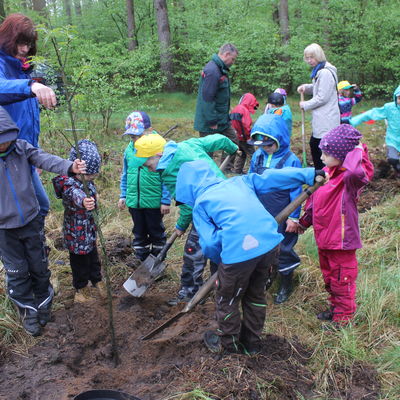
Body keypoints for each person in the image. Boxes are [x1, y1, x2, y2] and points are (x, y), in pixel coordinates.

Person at [175, 159, 322, 354]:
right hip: (270, 244)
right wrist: (309, 175)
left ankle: (229, 346)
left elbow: (209, 244)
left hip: (237, 254)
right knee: (255, 294)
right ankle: (251, 344)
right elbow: (273, 177)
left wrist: (222, 261)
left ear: (188, 188)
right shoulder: (239, 182)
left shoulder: (201, 204)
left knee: (227, 300)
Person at [0, 107, 86, 336]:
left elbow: (44, 159)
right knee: (17, 272)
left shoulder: (20, 148)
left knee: (39, 265)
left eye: (6, 139)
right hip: (4, 229)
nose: (3, 145)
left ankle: (43, 304)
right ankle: (29, 312)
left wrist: (70, 167)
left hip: (30, 220)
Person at [134, 132, 238, 305]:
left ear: (158, 154)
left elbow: (188, 205)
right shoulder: (188, 145)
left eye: (147, 163)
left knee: (193, 253)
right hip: (228, 203)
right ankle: (221, 292)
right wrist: (233, 148)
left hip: (206, 210)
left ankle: (191, 293)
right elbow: (218, 139)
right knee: (219, 249)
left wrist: (181, 225)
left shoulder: (170, 171)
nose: (147, 168)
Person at [296, 124, 374, 328]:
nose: (321, 157)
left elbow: (358, 171)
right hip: (325, 239)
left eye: (326, 153)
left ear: (343, 155)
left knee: (342, 279)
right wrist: (304, 222)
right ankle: (335, 309)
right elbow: (314, 202)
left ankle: (344, 318)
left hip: (341, 241)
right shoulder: (328, 175)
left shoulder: (349, 181)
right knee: (330, 277)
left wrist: (357, 149)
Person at [0, 13, 57, 220]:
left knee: (38, 207)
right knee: (22, 212)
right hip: (6, 154)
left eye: (28, 44)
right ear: (8, 38)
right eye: (20, 43)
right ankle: (17, 252)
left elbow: (27, 121)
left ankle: (32, 250)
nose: (25, 49)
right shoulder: (4, 66)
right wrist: (31, 86)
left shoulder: (23, 70)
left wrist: (34, 156)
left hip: (24, 153)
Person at [248, 114, 302, 304]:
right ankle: (265, 277)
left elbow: (296, 190)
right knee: (261, 245)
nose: (265, 149)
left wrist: (293, 217)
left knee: (283, 247)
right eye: (261, 146)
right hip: (261, 210)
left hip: (283, 210)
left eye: (268, 145)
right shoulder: (258, 156)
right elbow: (251, 180)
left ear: (280, 139)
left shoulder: (291, 160)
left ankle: (286, 282)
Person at [52, 139, 106, 303]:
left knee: (93, 257)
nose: (92, 178)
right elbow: (74, 193)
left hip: (88, 230)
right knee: (79, 262)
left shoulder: (86, 181)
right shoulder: (68, 183)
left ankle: (97, 281)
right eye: (89, 175)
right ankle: (80, 289)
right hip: (76, 233)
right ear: (78, 171)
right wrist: (84, 201)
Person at [117, 111, 170, 263]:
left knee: (156, 231)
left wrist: (165, 200)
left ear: (150, 131)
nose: (135, 140)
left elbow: (166, 175)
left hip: (153, 201)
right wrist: (123, 195)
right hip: (134, 201)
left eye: (139, 136)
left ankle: (157, 261)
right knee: (139, 232)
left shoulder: (159, 148)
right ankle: (142, 262)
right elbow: (126, 173)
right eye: (132, 137)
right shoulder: (129, 150)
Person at [298, 43, 340, 169]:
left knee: (321, 147)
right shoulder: (320, 70)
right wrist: (307, 87)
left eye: (312, 57)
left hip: (327, 117)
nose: (309, 60)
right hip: (322, 117)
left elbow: (322, 97)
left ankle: (323, 174)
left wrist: (305, 105)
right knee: (316, 144)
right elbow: (319, 88)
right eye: (307, 58)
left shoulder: (325, 72)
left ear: (319, 56)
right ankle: (321, 174)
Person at [350, 85, 400, 177]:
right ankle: (397, 170)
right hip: (392, 140)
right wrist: (354, 120)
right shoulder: (389, 108)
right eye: (399, 98)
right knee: (393, 159)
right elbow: (372, 113)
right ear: (395, 97)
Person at [229, 93, 259, 174]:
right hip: (244, 137)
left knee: (242, 154)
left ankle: (237, 170)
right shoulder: (244, 110)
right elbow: (245, 126)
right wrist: (248, 137)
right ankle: (255, 171)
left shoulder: (236, 108)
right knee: (253, 155)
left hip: (236, 136)